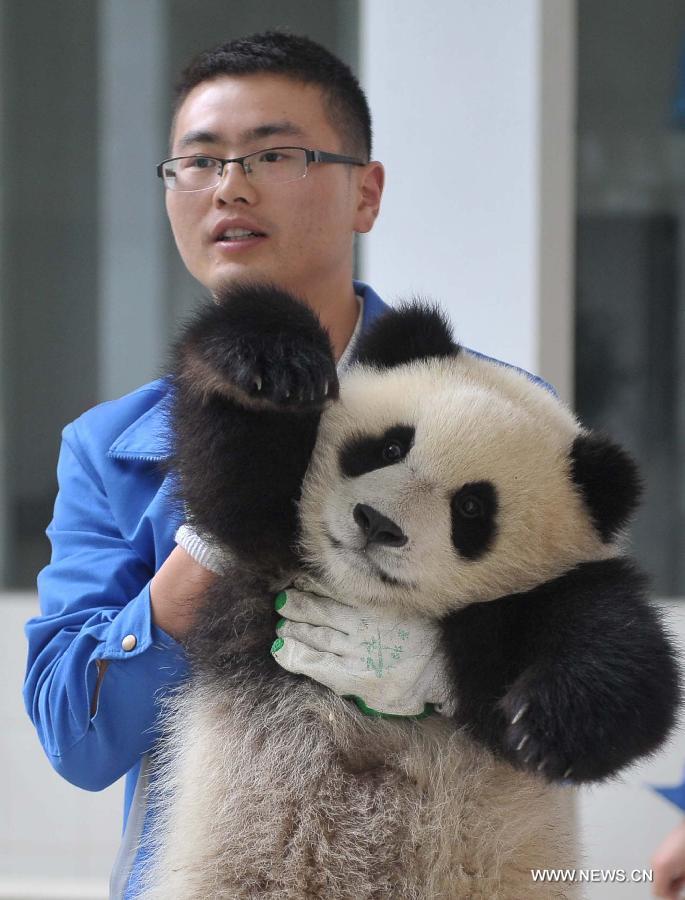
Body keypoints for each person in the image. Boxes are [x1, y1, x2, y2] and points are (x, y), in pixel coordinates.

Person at [22, 30, 546, 899]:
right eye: (199, 161)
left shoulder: (499, 418)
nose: (229, 186)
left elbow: (574, 697)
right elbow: (77, 742)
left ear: (364, 193)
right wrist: (214, 535)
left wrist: (451, 677)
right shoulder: (112, 447)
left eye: (274, 154)